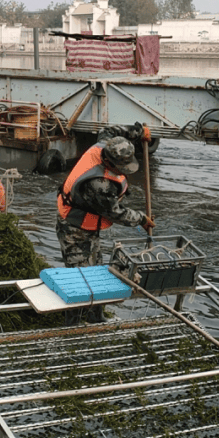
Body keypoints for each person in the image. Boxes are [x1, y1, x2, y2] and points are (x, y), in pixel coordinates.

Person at [55, 123, 155, 323]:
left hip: (90, 222)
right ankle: (72, 326)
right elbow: (115, 213)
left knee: (97, 272)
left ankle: (96, 319)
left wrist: (137, 131)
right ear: (109, 162)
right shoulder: (98, 185)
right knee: (80, 279)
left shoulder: (105, 142)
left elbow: (113, 130)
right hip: (75, 228)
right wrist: (141, 219)